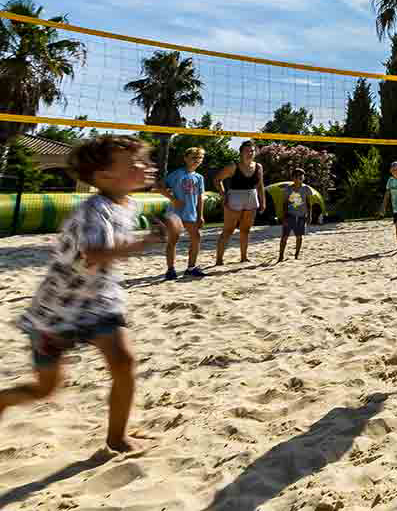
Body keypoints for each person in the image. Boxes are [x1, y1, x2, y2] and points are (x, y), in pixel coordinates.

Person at [0, 135, 181, 453]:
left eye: (145, 159)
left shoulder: (129, 204)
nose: (147, 165)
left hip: (99, 304)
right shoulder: (92, 210)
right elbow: (93, 253)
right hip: (56, 311)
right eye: (135, 162)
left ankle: (117, 438)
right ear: (104, 176)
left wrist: (160, 231)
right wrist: (148, 241)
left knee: (124, 362)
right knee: (46, 389)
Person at [214, 140, 265, 265]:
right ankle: (219, 260)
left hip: (252, 197)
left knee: (246, 230)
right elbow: (217, 179)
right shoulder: (233, 166)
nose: (250, 153)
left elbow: (260, 185)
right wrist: (223, 195)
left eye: (252, 151)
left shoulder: (258, 167)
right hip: (235, 197)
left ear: (255, 152)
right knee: (228, 230)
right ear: (241, 152)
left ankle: (243, 257)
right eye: (247, 151)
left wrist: (263, 201)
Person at [161, 146, 206, 279]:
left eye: (200, 158)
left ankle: (191, 268)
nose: (197, 160)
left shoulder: (199, 177)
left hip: (191, 213)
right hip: (175, 213)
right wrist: (173, 199)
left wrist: (201, 215)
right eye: (194, 158)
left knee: (196, 238)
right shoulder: (177, 174)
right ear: (186, 158)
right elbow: (159, 187)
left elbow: (200, 197)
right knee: (173, 241)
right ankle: (170, 270)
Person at [278, 168, 314, 262]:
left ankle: (296, 255)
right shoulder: (288, 189)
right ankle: (281, 256)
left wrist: (309, 216)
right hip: (290, 215)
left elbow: (309, 203)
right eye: (296, 176)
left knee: (299, 236)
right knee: (284, 236)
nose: (298, 178)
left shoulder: (306, 189)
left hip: (302, 216)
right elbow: (285, 203)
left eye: (301, 176)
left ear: (303, 178)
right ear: (293, 178)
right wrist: (284, 216)